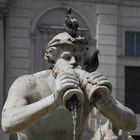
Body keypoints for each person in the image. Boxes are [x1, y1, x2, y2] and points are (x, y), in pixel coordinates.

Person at [1, 9, 136, 140]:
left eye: (78, 58)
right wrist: (54, 101)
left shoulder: (86, 87)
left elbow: (131, 123)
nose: (74, 62)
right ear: (52, 59)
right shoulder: (29, 84)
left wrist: (107, 101)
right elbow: (7, 123)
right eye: (67, 57)